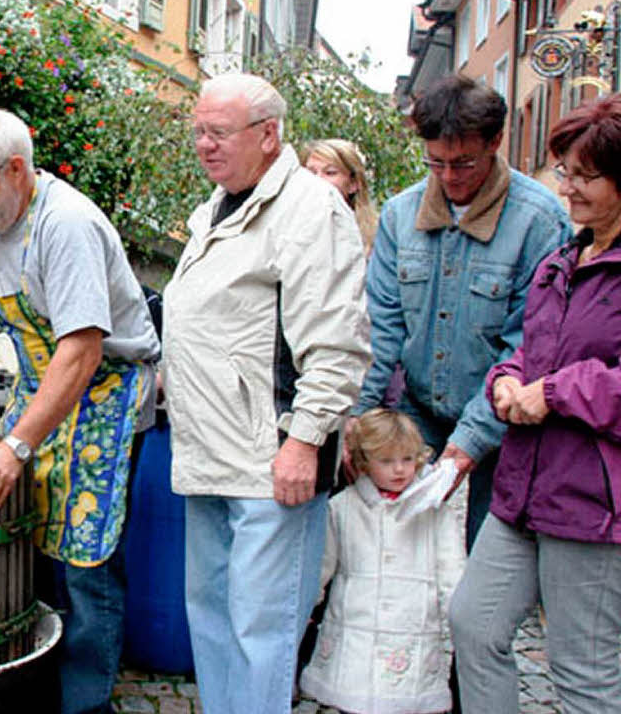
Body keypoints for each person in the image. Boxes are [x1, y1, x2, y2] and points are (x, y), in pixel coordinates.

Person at [0, 105, 159, 714]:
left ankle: (85, 703)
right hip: (42, 387)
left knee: (86, 557)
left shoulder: (66, 224)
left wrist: (15, 446)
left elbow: (82, 350)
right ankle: (23, 685)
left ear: (14, 169)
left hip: (105, 393)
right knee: (19, 534)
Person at [161, 72, 371, 714]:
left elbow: (335, 341)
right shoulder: (217, 209)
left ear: (269, 135)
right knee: (214, 619)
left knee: (262, 629)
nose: (203, 144)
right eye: (197, 131)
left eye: (217, 132)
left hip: (270, 460)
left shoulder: (309, 209)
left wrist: (304, 441)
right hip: (209, 456)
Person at [449, 94, 621, 713]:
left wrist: (551, 394)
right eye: (564, 173)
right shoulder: (564, 260)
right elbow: (528, 346)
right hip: (523, 488)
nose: (568, 190)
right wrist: (506, 380)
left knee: (583, 672)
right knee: (473, 625)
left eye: (587, 177)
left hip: (594, 504)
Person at [349, 75, 571, 550]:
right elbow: (380, 329)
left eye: (464, 163)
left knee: (480, 560)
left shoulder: (541, 220)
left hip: (506, 424)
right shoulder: (399, 215)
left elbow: (529, 344)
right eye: (436, 163)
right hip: (418, 411)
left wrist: (471, 439)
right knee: (401, 552)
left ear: (495, 142)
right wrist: (360, 414)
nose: (449, 177)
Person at [300, 408, 466, 714]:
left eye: (407, 460)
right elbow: (323, 564)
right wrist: (307, 605)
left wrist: (459, 621)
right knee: (352, 698)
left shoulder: (435, 513)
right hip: (354, 627)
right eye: (386, 461)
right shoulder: (343, 508)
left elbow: (451, 572)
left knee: (403, 698)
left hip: (410, 630)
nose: (400, 470)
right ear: (363, 462)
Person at [303, 138, 379, 255]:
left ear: (353, 184)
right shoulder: (286, 230)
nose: (317, 179)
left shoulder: (378, 238)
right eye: (311, 173)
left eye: (330, 173)